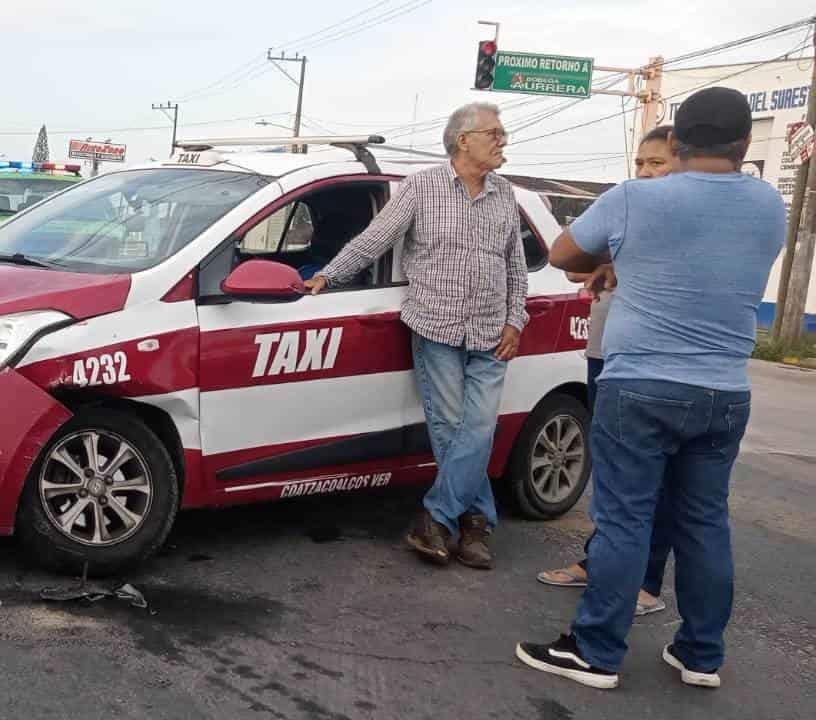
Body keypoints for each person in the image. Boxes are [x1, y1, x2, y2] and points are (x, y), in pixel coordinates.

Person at [516, 87, 786, 690]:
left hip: (641, 383)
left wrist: (616, 259)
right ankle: (700, 655)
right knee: (705, 523)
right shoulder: (770, 206)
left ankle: (597, 652)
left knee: (625, 521)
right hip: (724, 391)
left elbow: (564, 253)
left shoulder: (636, 198)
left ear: (679, 141)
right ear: (745, 143)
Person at [303, 102, 526, 570]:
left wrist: (515, 319)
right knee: (450, 428)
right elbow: (375, 239)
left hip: (491, 330)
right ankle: (476, 524)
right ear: (464, 140)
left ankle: (435, 516)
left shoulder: (505, 194)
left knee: (480, 427)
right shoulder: (421, 187)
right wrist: (326, 277)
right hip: (437, 326)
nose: (503, 140)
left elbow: (515, 265)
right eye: (495, 133)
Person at [536, 125, 676, 618]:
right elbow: (573, 266)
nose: (645, 172)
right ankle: (600, 561)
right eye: (641, 164)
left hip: (649, 360)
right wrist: (608, 261)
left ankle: (646, 580)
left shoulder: (678, 221)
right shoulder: (628, 209)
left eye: (657, 163)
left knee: (651, 477)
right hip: (605, 348)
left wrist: (614, 262)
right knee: (613, 471)